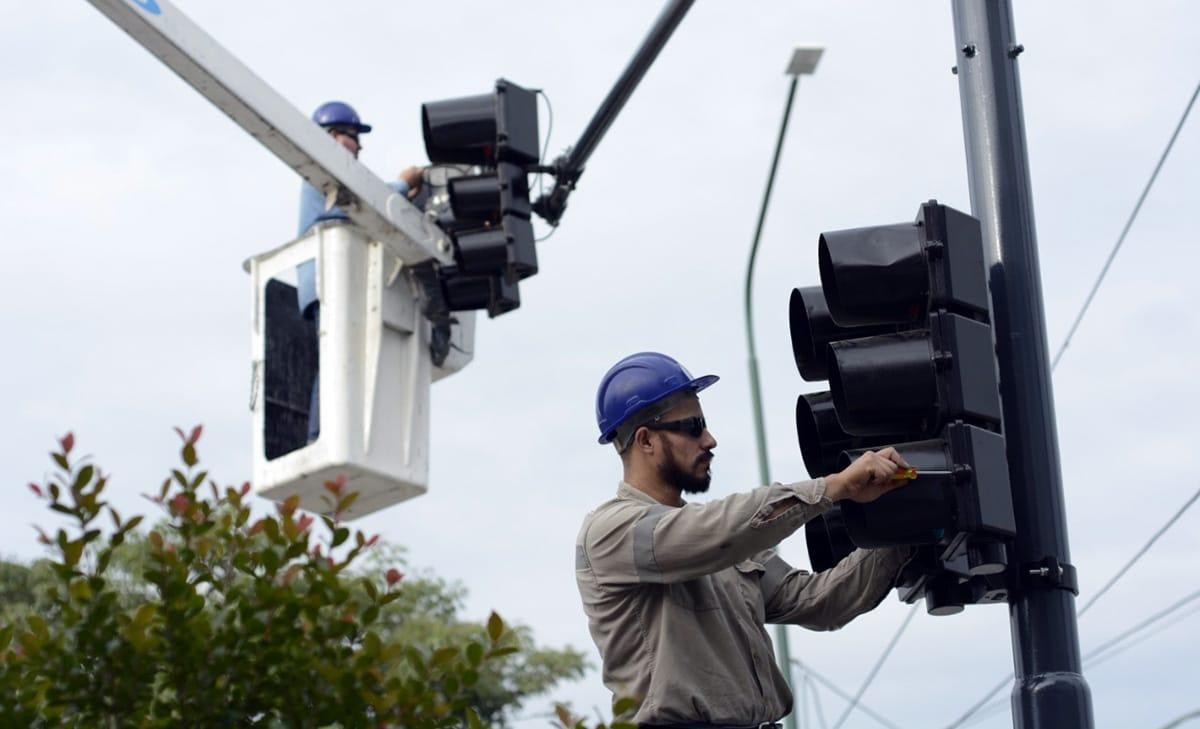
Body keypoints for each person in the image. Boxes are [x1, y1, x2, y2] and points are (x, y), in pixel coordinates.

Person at [576, 351, 913, 728]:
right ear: (646, 440)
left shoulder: (716, 536)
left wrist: (905, 531)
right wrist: (836, 487)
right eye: (693, 426)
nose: (710, 440)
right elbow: (718, 531)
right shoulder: (611, 532)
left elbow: (819, 601)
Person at [294, 100, 424, 443]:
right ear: (328, 136)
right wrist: (401, 185)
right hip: (329, 279)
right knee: (337, 359)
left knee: (346, 359)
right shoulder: (320, 170)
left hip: (336, 281)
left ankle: (334, 432)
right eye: (350, 136)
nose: (357, 145)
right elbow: (363, 201)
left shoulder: (326, 174)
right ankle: (321, 436)